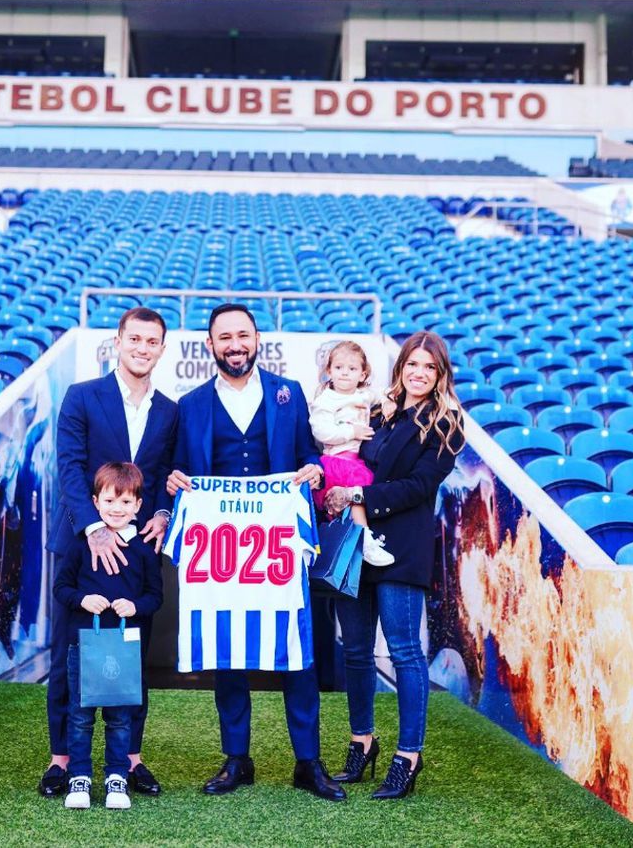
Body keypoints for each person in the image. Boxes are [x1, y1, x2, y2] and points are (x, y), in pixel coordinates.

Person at [167, 302, 345, 802]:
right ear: (210, 344)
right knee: (228, 653)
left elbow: (309, 454)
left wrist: (314, 470)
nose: (235, 345)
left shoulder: (289, 394)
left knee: (298, 652)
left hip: (278, 545)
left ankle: (308, 761)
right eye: (225, 337)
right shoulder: (191, 404)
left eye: (242, 335)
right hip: (222, 552)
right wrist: (175, 482)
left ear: (257, 339)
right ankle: (236, 759)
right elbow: (178, 469)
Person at [42, 306, 178, 798]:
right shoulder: (82, 396)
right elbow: (69, 466)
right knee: (70, 657)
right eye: (134, 339)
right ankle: (61, 760)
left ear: (162, 349)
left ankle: (131, 759)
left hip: (138, 550)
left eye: (151, 341)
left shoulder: (169, 410)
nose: (142, 348)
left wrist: (161, 513)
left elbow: (165, 475)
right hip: (82, 544)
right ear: (117, 343)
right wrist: (95, 528)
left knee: (132, 656)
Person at [324, 331, 464, 800]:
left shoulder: (447, 424)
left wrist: (358, 495)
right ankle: (362, 742)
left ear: (440, 375)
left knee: (404, 651)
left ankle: (408, 755)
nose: (419, 373)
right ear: (400, 368)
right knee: (355, 650)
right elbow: (350, 461)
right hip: (356, 545)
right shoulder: (379, 413)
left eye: (429, 367)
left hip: (402, 548)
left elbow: (419, 486)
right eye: (412, 364)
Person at [54, 462, 163, 810]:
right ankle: (80, 777)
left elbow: (155, 597)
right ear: (95, 502)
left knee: (120, 717)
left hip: (124, 648)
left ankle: (117, 777)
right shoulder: (80, 544)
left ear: (138, 505)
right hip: (83, 645)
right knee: (80, 715)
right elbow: (61, 588)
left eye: (126, 502)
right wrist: (82, 600)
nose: (117, 509)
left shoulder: (144, 549)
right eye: (110, 501)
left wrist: (135, 606)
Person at [308, 340, 393, 567]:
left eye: (352, 368)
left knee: (356, 500)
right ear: (329, 371)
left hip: (355, 461)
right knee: (352, 502)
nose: (345, 373)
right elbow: (321, 430)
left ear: (362, 374)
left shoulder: (363, 395)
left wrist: (388, 401)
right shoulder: (326, 400)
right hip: (336, 461)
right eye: (339, 367)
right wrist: (351, 432)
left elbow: (383, 394)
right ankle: (365, 541)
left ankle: (358, 541)